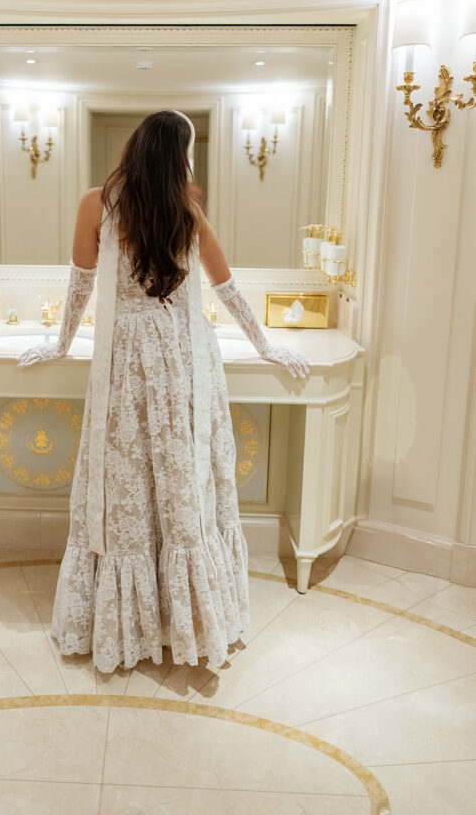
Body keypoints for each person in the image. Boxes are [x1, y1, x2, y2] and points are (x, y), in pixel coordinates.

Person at [16, 110, 310, 674]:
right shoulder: (185, 211)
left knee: (124, 476)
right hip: (183, 356)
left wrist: (61, 341)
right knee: (180, 481)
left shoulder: (97, 203)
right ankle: (185, 621)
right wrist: (265, 344)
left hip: (127, 356)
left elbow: (80, 284)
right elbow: (227, 287)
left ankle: (137, 624)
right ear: (178, 157)